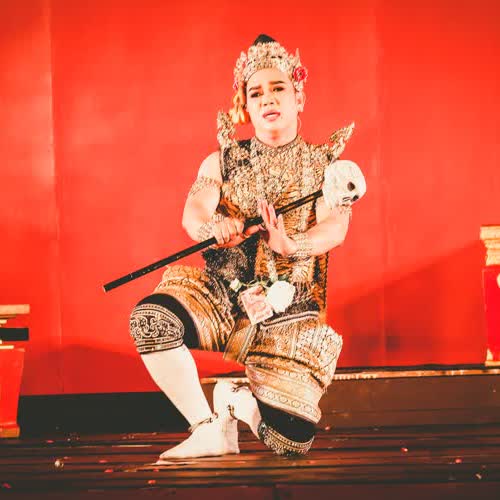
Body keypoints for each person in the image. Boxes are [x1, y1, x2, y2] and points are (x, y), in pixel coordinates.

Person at [129, 34, 365, 459]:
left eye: (278, 88)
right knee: (151, 320)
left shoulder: (325, 166)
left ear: (299, 98)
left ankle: (234, 401)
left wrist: (292, 243)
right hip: (225, 297)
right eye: (256, 93)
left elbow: (336, 227)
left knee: (290, 442)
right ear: (246, 106)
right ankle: (206, 428)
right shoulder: (221, 161)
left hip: (289, 313)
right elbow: (193, 214)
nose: (268, 99)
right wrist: (214, 228)